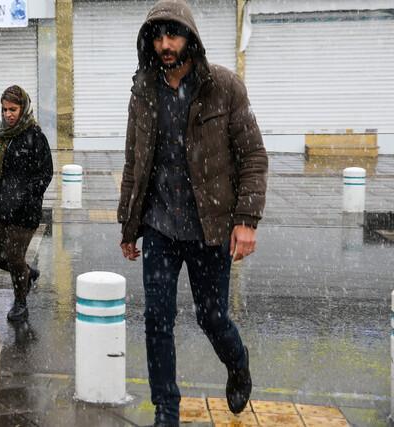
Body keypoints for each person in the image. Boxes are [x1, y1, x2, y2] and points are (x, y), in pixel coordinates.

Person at [117, 1, 268, 425]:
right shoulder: (143, 90)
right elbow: (134, 161)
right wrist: (128, 225)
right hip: (160, 227)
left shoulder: (223, 86)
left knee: (212, 316)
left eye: (174, 35)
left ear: (190, 38)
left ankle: (238, 363)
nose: (166, 45)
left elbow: (254, 156)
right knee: (157, 321)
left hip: (210, 227)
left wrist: (246, 220)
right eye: (159, 37)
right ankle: (166, 408)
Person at [0, 85, 53, 322]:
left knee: (15, 256)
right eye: (5, 109)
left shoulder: (35, 136)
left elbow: (45, 172)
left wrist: (28, 196)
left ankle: (20, 302)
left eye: (13, 109)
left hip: (24, 210)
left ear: (23, 108)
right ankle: (27, 275)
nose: (8, 114)